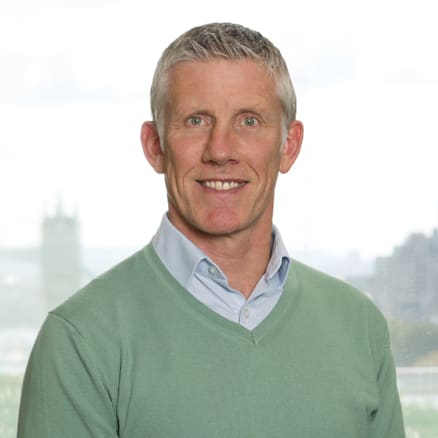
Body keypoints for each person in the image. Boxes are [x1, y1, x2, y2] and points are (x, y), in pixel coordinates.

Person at [17, 23, 405, 437]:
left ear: (289, 146)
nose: (220, 150)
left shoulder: (359, 325)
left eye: (249, 121)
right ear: (155, 146)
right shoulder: (80, 341)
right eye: (196, 120)